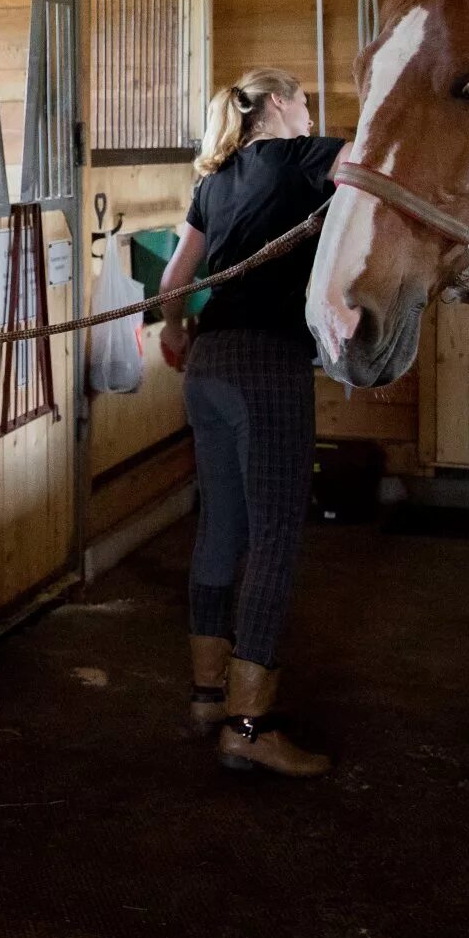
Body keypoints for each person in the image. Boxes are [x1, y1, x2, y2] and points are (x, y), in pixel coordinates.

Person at [157, 67, 344, 778]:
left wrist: (176, 334)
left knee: (221, 527)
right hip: (268, 366)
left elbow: (176, 280)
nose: (309, 112)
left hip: (209, 363)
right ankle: (249, 723)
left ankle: (209, 694)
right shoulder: (303, 157)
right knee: (274, 538)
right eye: (303, 100)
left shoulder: (215, 179)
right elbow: (376, 161)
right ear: (276, 105)